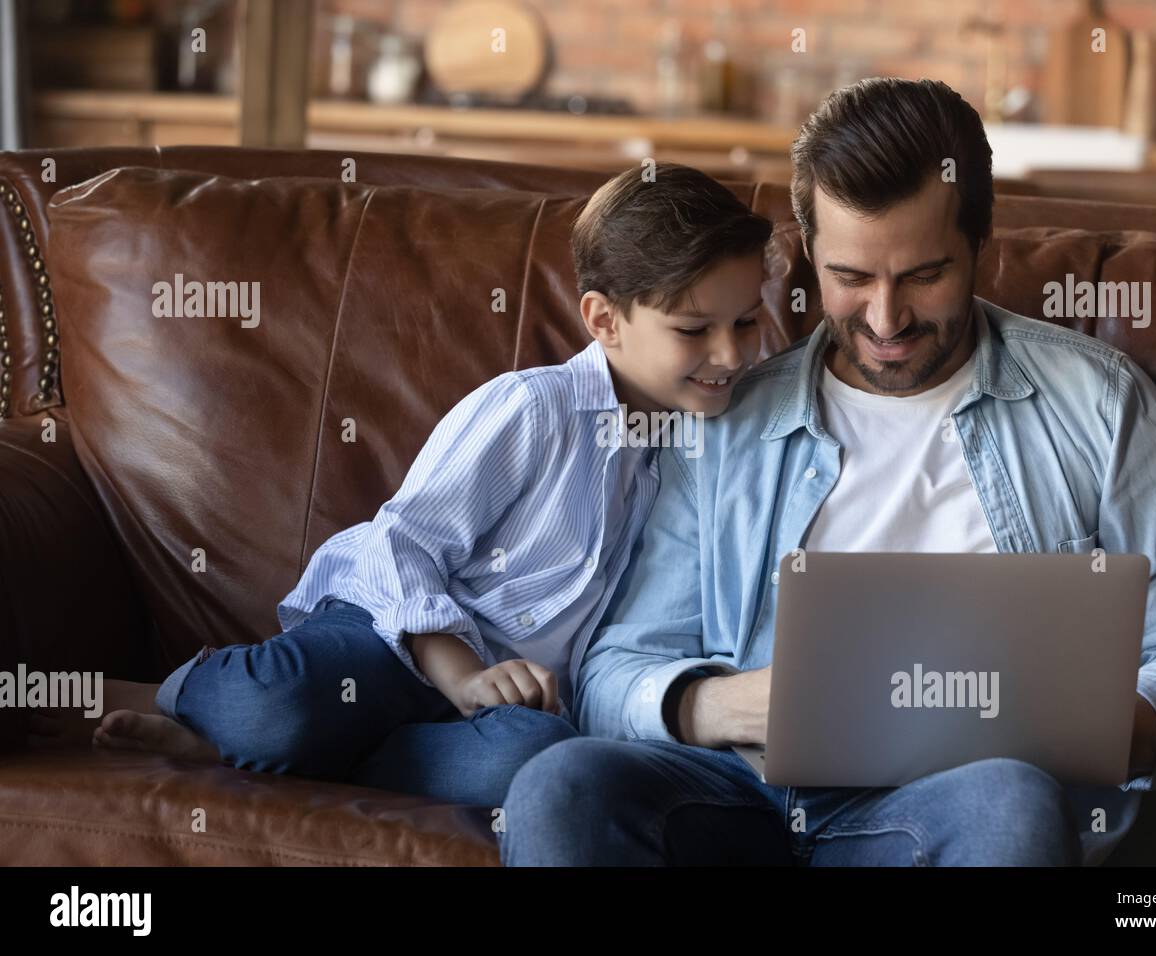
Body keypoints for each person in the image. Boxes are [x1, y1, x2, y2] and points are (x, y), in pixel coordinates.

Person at [498, 78, 1156, 865]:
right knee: (562, 784)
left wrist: (1109, 723)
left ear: (979, 247)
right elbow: (614, 667)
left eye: (924, 275)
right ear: (803, 256)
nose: (886, 321)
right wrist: (722, 705)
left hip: (951, 805)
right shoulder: (725, 419)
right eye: (851, 279)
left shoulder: (1099, 404)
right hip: (741, 797)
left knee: (1010, 801)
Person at [81, 164, 773, 809]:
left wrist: (491, 695)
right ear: (602, 320)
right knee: (275, 707)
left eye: (746, 322)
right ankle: (172, 698)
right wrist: (463, 673)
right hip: (392, 642)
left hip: (497, 710)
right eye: (693, 329)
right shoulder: (535, 410)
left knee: (538, 764)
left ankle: (273, 751)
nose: (732, 355)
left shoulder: (700, 456)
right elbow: (402, 546)